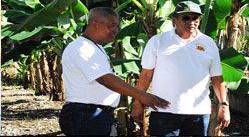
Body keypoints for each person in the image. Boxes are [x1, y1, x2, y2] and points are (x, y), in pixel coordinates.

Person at [58, 7, 170, 136]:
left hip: (95, 114)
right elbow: (105, 78)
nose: (116, 30)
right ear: (95, 24)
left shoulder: (95, 47)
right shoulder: (82, 48)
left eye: (117, 26)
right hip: (85, 115)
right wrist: (141, 95)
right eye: (112, 26)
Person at [131, 1, 231, 136]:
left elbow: (217, 78)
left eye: (195, 18)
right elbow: (146, 75)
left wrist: (224, 105)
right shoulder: (158, 41)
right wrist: (138, 102)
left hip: (198, 113)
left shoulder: (209, 43)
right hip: (164, 112)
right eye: (186, 18)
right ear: (174, 20)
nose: (192, 22)